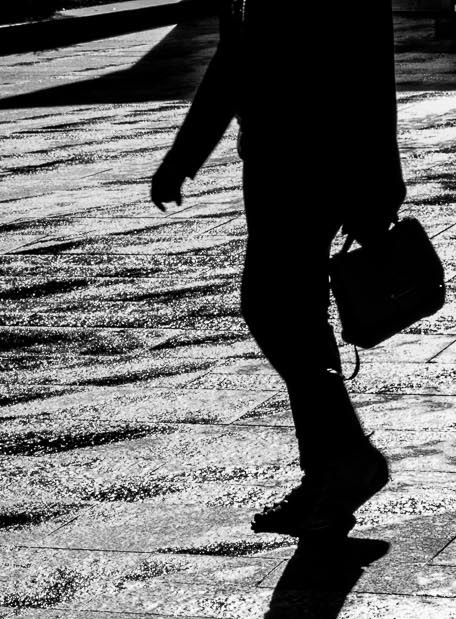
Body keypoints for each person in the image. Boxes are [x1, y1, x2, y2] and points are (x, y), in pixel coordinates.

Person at [151, 0, 405, 536]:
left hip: (315, 159)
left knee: (274, 311)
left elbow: (368, 62)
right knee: (294, 316)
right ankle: (329, 476)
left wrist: (381, 181)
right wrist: (184, 156)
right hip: (276, 158)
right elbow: (234, 60)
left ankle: (347, 461)